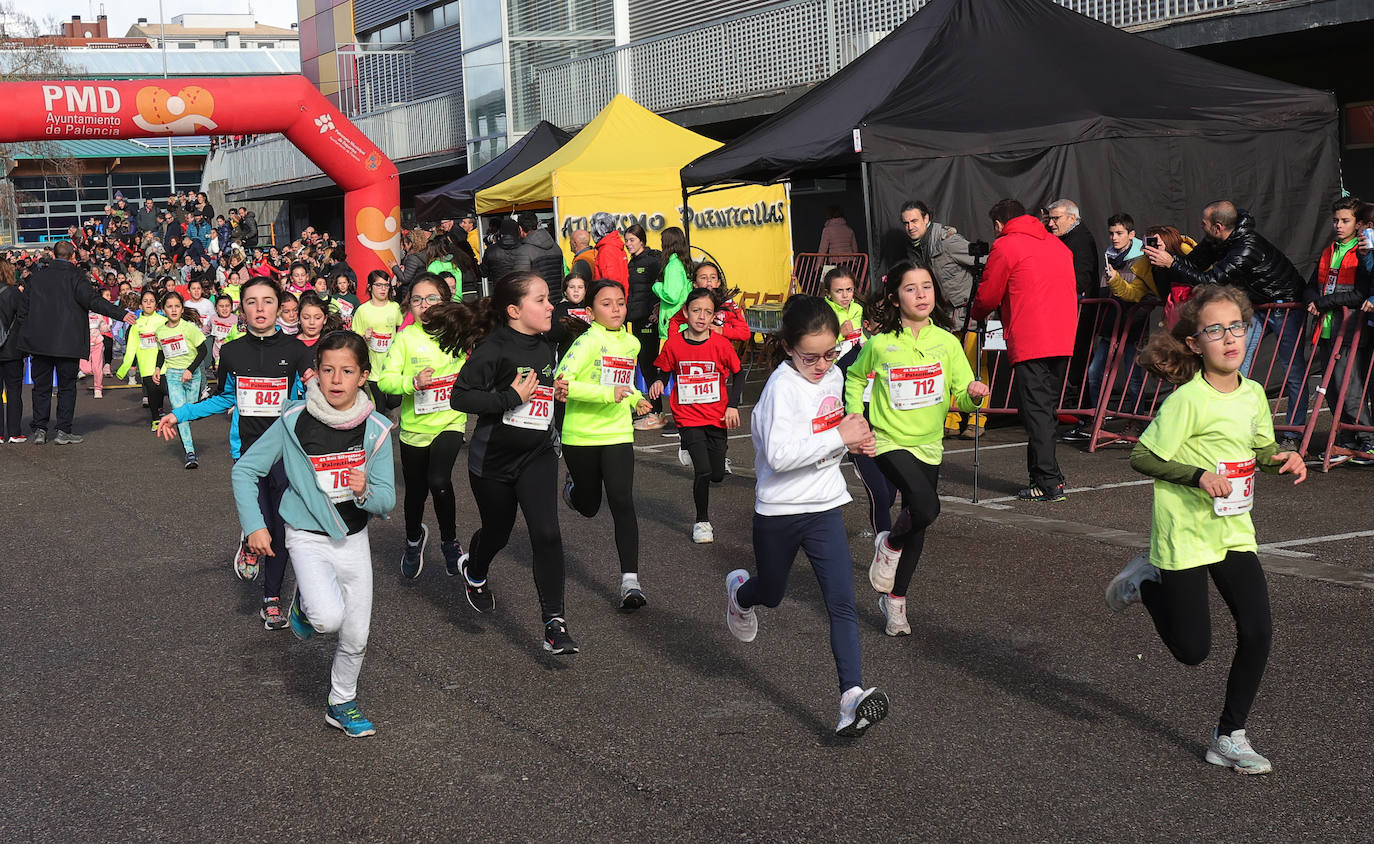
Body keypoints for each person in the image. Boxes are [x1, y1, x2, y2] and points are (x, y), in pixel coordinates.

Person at [1107, 283, 1305, 775]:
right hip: (1185, 532)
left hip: (1233, 530)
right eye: (1214, 330)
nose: (1229, 337)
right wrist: (1198, 476)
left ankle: (1229, 735)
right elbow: (1142, 455)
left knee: (1258, 629)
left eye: (1236, 327)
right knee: (1193, 651)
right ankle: (1147, 582)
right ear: (1195, 344)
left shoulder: (1254, 393)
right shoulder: (1187, 402)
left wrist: (1283, 457)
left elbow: (1259, 447)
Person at [724, 295, 889, 737]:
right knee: (772, 593)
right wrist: (839, 435)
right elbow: (778, 457)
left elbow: (834, 432)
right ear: (787, 348)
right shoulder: (781, 388)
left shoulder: (834, 375)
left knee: (842, 603)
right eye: (809, 356)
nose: (821, 365)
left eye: (829, 353)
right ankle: (741, 594)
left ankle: (850, 698)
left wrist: (857, 442)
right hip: (778, 510)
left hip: (824, 506)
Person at [231, 331, 396, 738]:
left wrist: (365, 492)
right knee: (328, 620)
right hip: (305, 536)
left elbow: (387, 499)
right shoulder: (293, 420)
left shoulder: (375, 428)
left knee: (357, 635)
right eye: (327, 370)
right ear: (315, 374)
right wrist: (255, 525)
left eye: (347, 370)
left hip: (353, 539)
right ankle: (304, 607)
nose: (336, 379)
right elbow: (245, 470)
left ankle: (341, 702)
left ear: (363, 376)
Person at [157, 275, 314, 629]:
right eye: (252, 302)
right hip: (247, 455)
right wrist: (179, 413)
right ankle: (250, 535)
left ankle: (271, 598)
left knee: (281, 528)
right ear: (241, 309)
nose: (261, 308)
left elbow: (313, 396)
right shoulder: (231, 351)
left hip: (286, 453)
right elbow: (226, 397)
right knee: (263, 524)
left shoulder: (297, 351)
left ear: (279, 306)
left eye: (268, 301)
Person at [844, 262, 988, 635]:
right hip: (889, 441)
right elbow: (856, 376)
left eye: (927, 286)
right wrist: (855, 418)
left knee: (918, 522)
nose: (922, 294)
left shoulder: (947, 342)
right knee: (926, 507)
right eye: (911, 288)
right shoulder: (880, 344)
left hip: (929, 445)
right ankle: (889, 545)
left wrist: (973, 397)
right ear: (895, 298)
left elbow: (960, 392)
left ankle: (896, 603)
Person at [449, 271, 576, 654]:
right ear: (514, 310)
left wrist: (555, 392)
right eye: (540, 300)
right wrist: (508, 398)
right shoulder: (494, 348)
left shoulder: (548, 343)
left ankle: (555, 623)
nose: (550, 305)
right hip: (493, 463)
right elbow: (460, 398)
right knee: (497, 533)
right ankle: (475, 570)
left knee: (548, 533)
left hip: (537, 455)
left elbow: (542, 391)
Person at [1144, 201, 1308, 445]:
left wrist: (1172, 263)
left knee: (1293, 371)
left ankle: (1293, 434)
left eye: (1204, 223)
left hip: (1285, 306)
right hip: (1258, 306)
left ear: (1218, 227)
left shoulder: (1246, 247)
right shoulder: (1216, 240)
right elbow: (1191, 267)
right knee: (1235, 363)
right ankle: (1233, 426)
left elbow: (1211, 281)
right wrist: (1165, 260)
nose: (1201, 227)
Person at [551, 280, 651, 609]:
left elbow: (623, 385)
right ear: (591, 312)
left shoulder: (632, 343)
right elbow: (562, 384)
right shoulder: (585, 342)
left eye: (620, 303)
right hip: (581, 435)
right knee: (590, 505)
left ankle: (630, 582)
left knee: (623, 502)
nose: (616, 309)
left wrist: (637, 399)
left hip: (618, 432)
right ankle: (573, 490)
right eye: (606, 304)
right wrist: (607, 394)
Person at [969, 199, 1078, 502]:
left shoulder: (1006, 246)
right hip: (1062, 335)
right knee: (1044, 411)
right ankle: (1046, 475)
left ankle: (1047, 481)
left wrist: (977, 311)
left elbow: (988, 296)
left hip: (1031, 338)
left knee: (1037, 412)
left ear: (999, 224)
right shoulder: (1059, 246)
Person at [375, 275, 471, 579]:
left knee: (439, 479)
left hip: (450, 422)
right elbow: (386, 381)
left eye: (431, 298)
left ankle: (450, 542)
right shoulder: (405, 338)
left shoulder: (457, 333)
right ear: (409, 306)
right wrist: (412, 383)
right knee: (415, 493)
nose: (424, 305)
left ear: (444, 301)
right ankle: (414, 540)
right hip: (414, 429)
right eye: (417, 299)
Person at [648, 287, 743, 543]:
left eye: (708, 312)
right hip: (688, 418)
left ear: (714, 317)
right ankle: (702, 522)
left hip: (716, 416)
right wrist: (659, 381)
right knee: (701, 471)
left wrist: (732, 405)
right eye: (696, 310)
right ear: (686, 313)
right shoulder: (675, 343)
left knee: (716, 474)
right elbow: (664, 368)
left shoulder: (721, 344)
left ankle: (692, 449)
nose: (702, 316)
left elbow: (739, 372)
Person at [18, 241, 135, 444]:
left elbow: (23, 310)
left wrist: (27, 334)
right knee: (66, 387)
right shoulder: (76, 277)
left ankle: (40, 429)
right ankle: (63, 431)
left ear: (53, 256)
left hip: (40, 343)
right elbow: (94, 302)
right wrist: (121, 314)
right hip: (68, 342)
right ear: (72, 257)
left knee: (41, 387)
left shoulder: (37, 278)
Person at [883, 201, 980, 438]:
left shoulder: (948, 241)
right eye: (906, 223)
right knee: (947, 366)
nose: (910, 227)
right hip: (944, 314)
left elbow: (984, 262)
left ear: (927, 218)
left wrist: (983, 298)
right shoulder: (915, 247)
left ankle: (979, 419)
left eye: (914, 221)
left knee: (975, 364)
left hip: (969, 312)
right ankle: (953, 417)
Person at [1303, 195, 1374, 456]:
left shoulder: (1362, 251)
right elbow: (1312, 286)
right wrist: (1313, 301)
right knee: (1332, 389)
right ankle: (1345, 439)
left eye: (1345, 221)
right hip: (1326, 330)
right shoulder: (1328, 250)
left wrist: (1324, 302)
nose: (1338, 225)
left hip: (1351, 330)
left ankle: (1368, 440)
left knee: (1350, 387)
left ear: (1357, 224)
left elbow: (1359, 294)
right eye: (1335, 220)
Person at [639, 226, 692, 431]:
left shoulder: (673, 266)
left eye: (663, 242)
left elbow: (670, 294)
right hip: (678, 321)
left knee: (673, 370)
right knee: (677, 370)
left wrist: (656, 286)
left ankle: (680, 419)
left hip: (675, 323)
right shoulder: (682, 265)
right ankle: (682, 417)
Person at [154, 291, 209, 469]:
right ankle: (190, 453)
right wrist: (157, 369)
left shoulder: (189, 328)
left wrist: (190, 370)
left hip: (192, 376)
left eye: (177, 306)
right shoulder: (160, 331)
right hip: (173, 376)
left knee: (190, 412)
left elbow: (203, 351)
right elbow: (161, 352)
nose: (174, 310)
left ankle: (186, 430)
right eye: (169, 307)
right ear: (163, 310)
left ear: (182, 308)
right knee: (181, 415)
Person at [116, 290, 169, 430]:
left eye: (151, 301)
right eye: (145, 301)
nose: (148, 303)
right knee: (151, 390)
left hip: (163, 361)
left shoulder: (163, 321)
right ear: (140, 305)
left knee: (162, 388)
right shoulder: (136, 325)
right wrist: (124, 368)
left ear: (156, 304)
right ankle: (155, 418)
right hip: (145, 363)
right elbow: (131, 348)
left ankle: (160, 408)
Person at [624, 224, 663, 416]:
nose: (628, 244)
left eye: (631, 240)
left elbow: (660, 286)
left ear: (642, 240)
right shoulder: (632, 262)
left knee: (649, 364)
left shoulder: (652, 261)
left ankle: (658, 410)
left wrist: (657, 309)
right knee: (640, 362)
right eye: (626, 241)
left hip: (649, 319)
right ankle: (647, 406)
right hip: (636, 318)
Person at [351, 270, 404, 409]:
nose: (383, 289)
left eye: (386, 285)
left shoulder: (395, 307)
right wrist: (364, 337)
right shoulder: (363, 310)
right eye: (379, 285)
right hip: (373, 367)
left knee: (395, 401)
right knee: (379, 407)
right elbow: (355, 340)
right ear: (370, 287)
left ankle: (389, 412)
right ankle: (383, 424)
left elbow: (401, 330)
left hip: (392, 365)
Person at [665, 262, 750, 342]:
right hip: (697, 353)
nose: (709, 281)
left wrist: (721, 331)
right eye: (703, 278)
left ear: (718, 283)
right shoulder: (692, 304)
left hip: (720, 353)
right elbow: (674, 321)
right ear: (695, 284)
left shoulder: (728, 304)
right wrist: (675, 343)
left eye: (713, 277)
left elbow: (744, 333)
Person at [0, 260, 25, 442]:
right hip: (12, 348)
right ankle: (15, 432)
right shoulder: (14, 293)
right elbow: (24, 317)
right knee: (14, 391)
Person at [516, 211, 564, 303]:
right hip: (557, 299)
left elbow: (521, 282)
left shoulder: (524, 251)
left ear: (520, 229)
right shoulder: (556, 247)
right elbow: (562, 275)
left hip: (538, 301)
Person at [824, 267, 864, 356]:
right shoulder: (824, 312)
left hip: (860, 357)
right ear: (828, 293)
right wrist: (840, 334)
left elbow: (862, 337)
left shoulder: (858, 309)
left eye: (849, 289)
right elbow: (817, 345)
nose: (845, 295)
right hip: (835, 362)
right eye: (839, 291)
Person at [589, 213, 629, 296]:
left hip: (610, 300)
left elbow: (610, 282)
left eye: (592, 226)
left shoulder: (606, 249)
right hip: (620, 298)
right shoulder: (615, 245)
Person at [480, 219, 531, 284]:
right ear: (518, 232)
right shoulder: (526, 248)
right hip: (521, 289)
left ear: (501, 233)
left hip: (500, 288)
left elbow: (483, 273)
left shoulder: (491, 250)